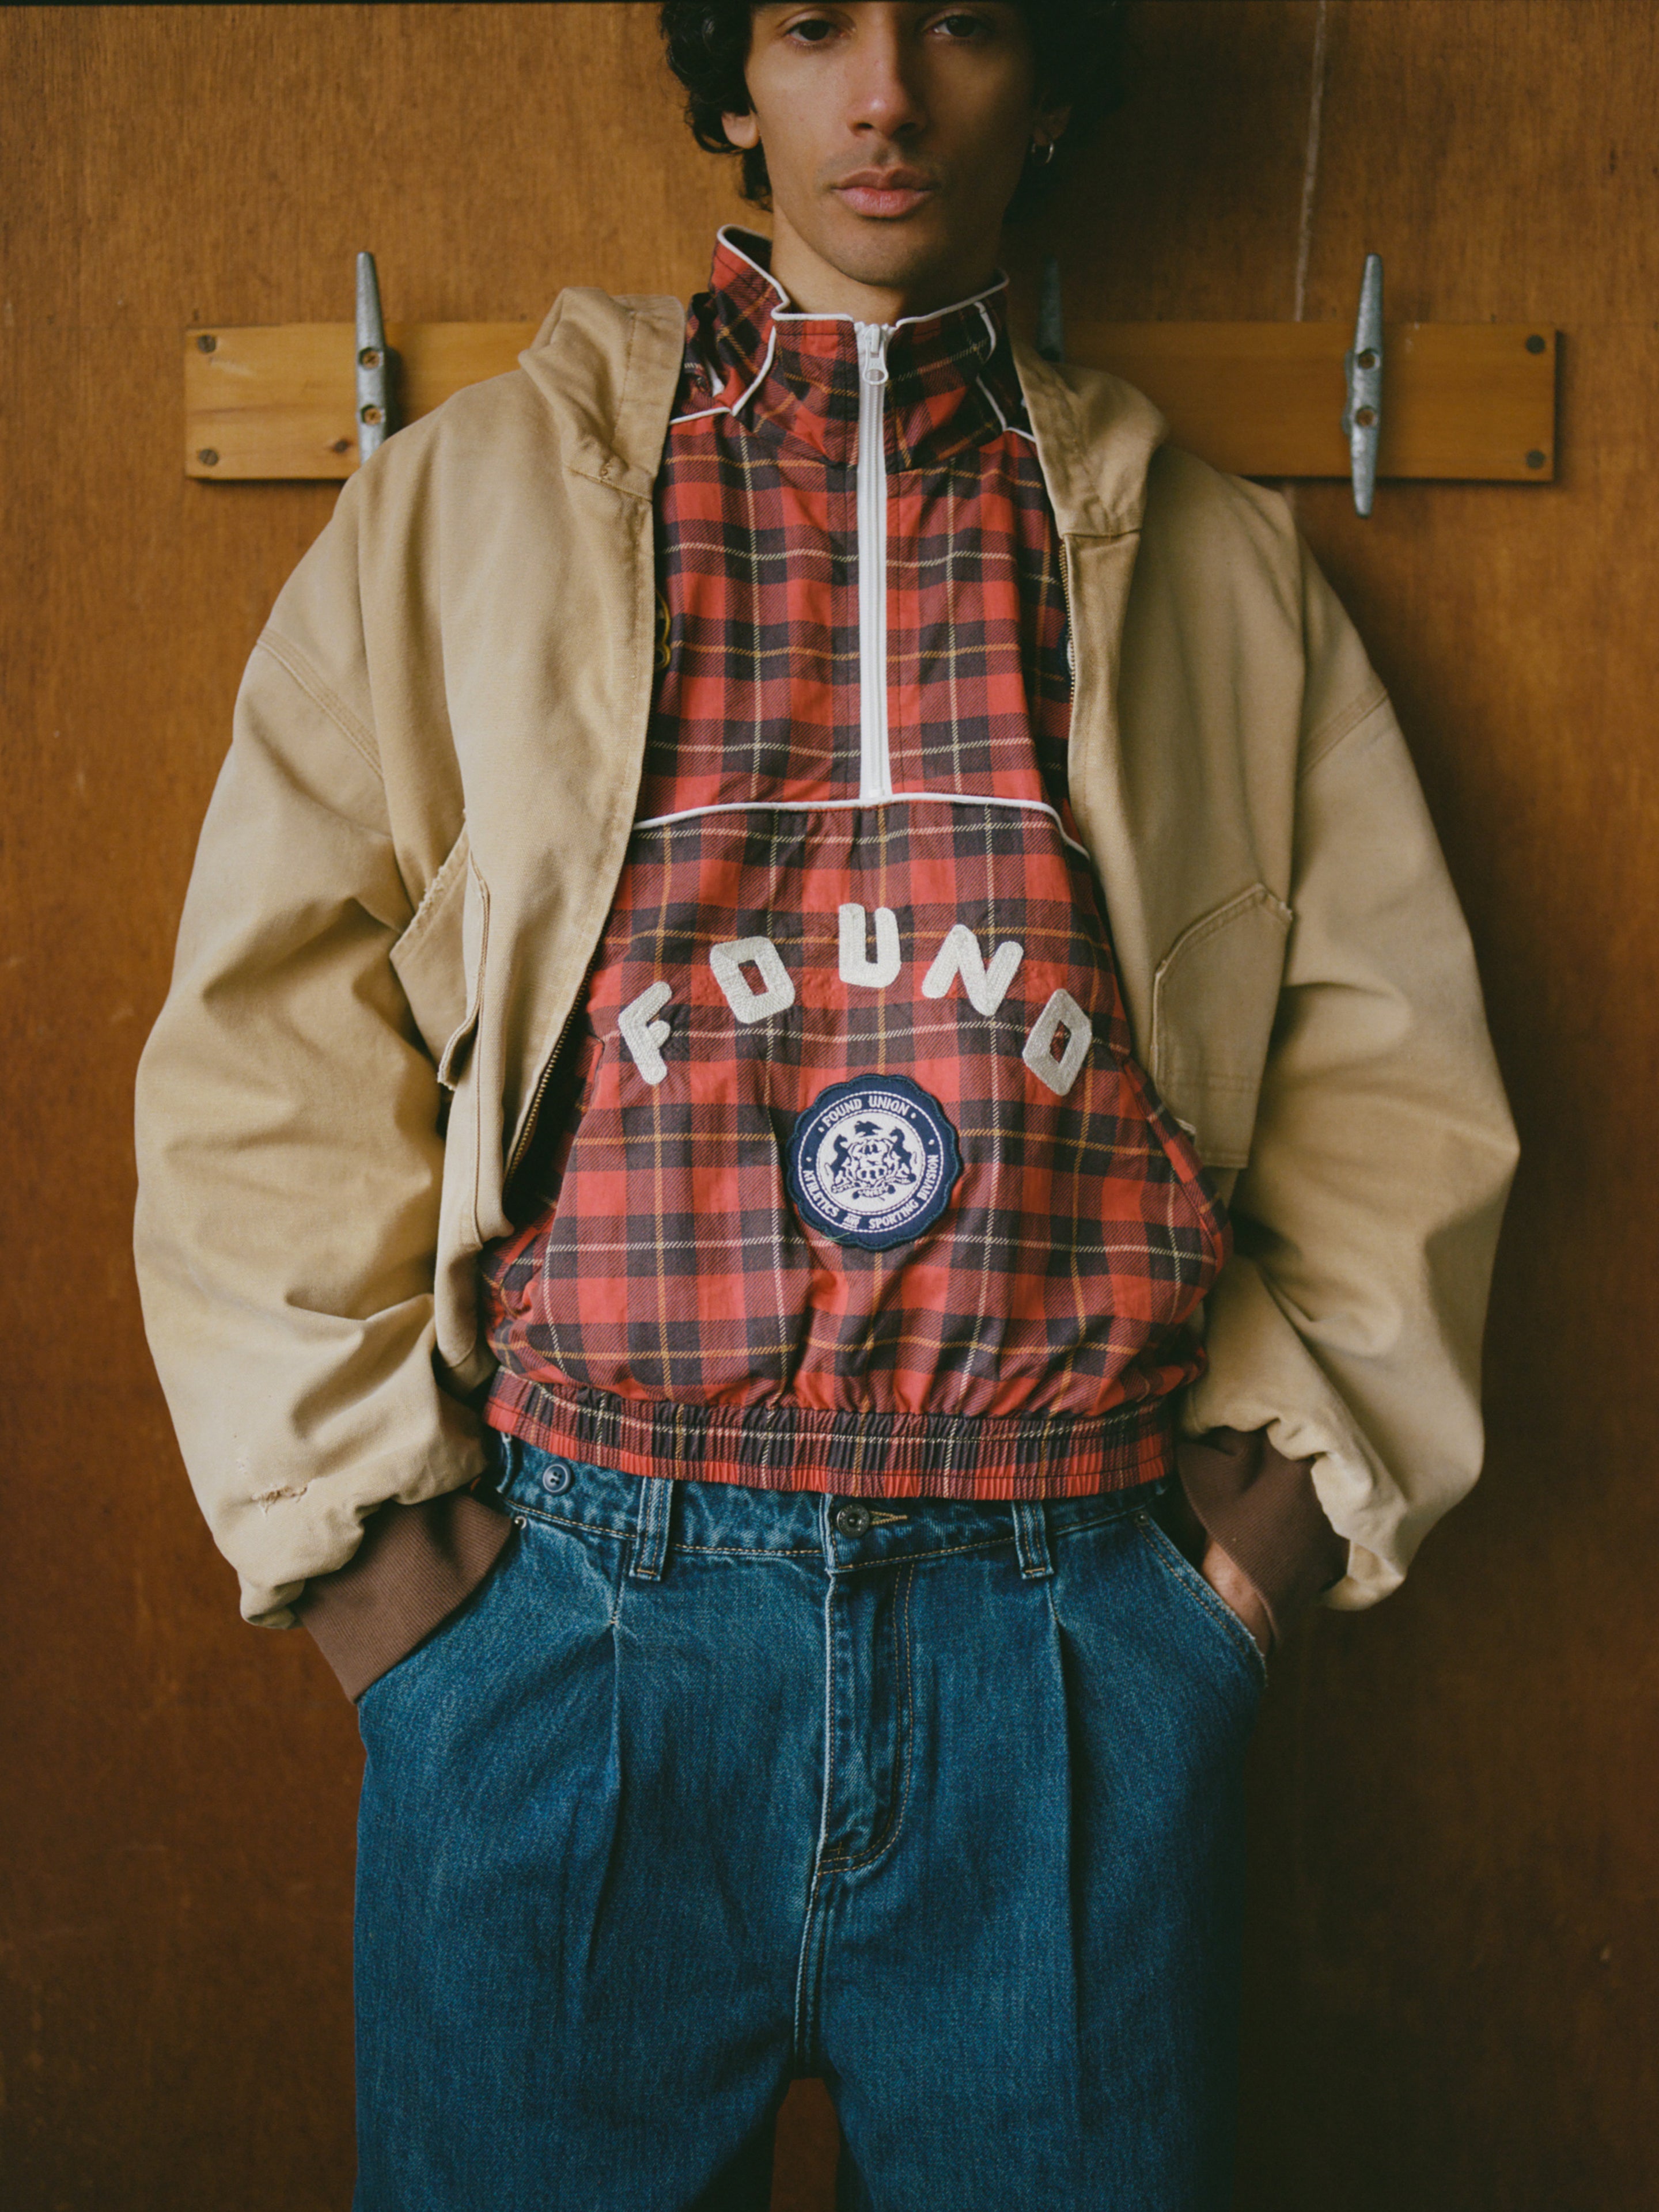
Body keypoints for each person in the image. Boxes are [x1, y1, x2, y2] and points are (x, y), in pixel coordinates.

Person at [134, 3, 1517, 2205]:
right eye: (811, 25)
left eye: (965, 24)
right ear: (734, 73)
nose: (887, 97)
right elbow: (264, 1054)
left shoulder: (1214, 567)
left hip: (1063, 1646)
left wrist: (1224, 1591)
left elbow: (1391, 1085)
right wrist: (384, 1591)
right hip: (574, 1634)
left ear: (1051, 84)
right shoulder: (469, 515)